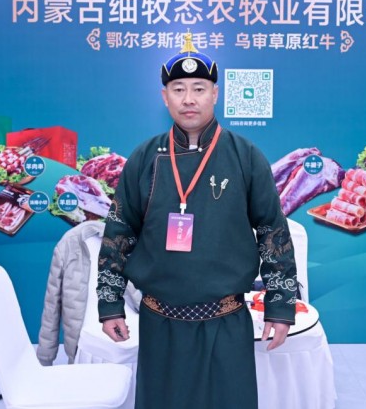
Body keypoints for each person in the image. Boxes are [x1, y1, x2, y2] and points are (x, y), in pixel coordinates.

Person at [97, 36, 297, 409]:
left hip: (226, 321)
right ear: (165, 97)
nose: (189, 99)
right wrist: (110, 303)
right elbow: (118, 233)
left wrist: (280, 306)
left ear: (215, 94)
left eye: (199, 89)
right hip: (159, 323)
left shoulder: (245, 155)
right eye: (179, 89)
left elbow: (273, 232)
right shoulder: (144, 158)